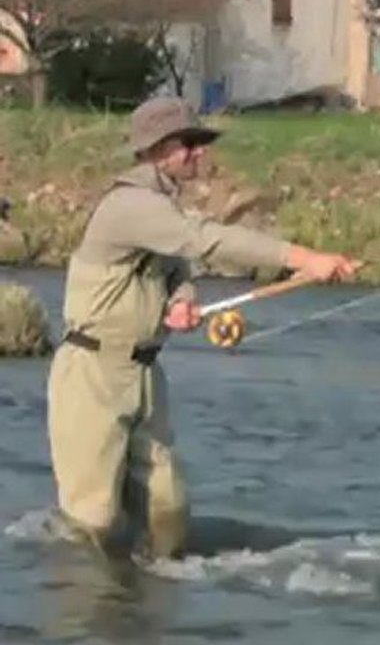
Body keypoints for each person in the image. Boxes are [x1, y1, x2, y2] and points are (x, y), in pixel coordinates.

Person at [46, 96, 361, 561]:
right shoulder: (129, 204)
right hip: (92, 374)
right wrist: (303, 258)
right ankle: (84, 602)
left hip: (144, 376)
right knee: (93, 520)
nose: (200, 151)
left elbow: (178, 269)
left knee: (168, 512)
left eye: (201, 142)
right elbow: (205, 240)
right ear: (159, 149)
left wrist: (181, 301)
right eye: (190, 142)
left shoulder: (159, 206)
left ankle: (151, 596)